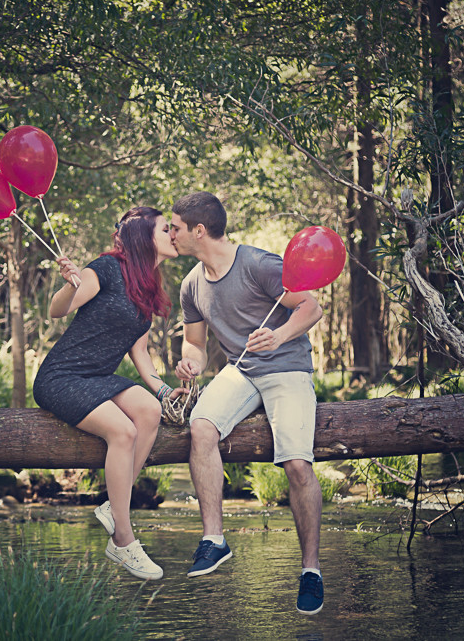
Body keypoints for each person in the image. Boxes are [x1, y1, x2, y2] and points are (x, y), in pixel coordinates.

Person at [170, 191, 326, 614]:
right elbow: (195, 344)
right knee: (201, 426)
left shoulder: (258, 264)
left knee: (296, 463)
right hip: (241, 372)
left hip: (287, 367)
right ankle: (214, 540)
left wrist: (278, 335)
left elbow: (311, 307)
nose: (170, 234)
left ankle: (310, 570)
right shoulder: (190, 285)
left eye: (176, 227)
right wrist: (190, 365)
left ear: (199, 231)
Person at [33, 205, 182, 580]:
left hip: (98, 376)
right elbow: (56, 311)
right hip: (61, 377)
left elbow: (140, 353)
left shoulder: (148, 284)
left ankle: (112, 508)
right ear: (144, 236)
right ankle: (123, 540)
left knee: (149, 411)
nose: (174, 234)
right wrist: (70, 284)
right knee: (124, 431)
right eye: (167, 229)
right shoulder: (105, 269)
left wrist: (165, 391)